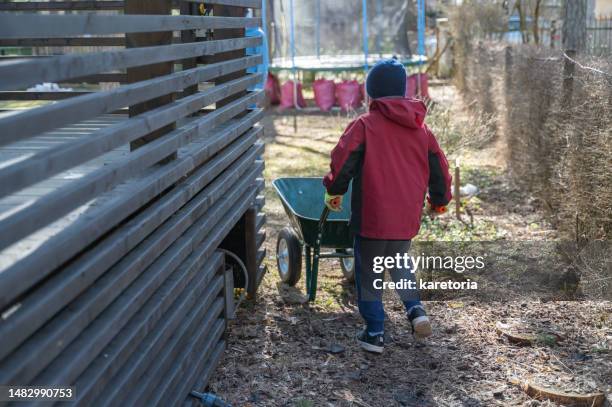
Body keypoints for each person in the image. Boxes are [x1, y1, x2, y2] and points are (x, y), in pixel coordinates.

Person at [322, 59, 452, 354]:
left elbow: (343, 161)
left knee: (369, 273)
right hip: (404, 219)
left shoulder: (365, 126)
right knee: (398, 262)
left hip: (372, 218)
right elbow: (440, 169)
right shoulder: (423, 131)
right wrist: (440, 201)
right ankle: (415, 309)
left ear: (372, 94)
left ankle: (374, 332)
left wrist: (335, 189)